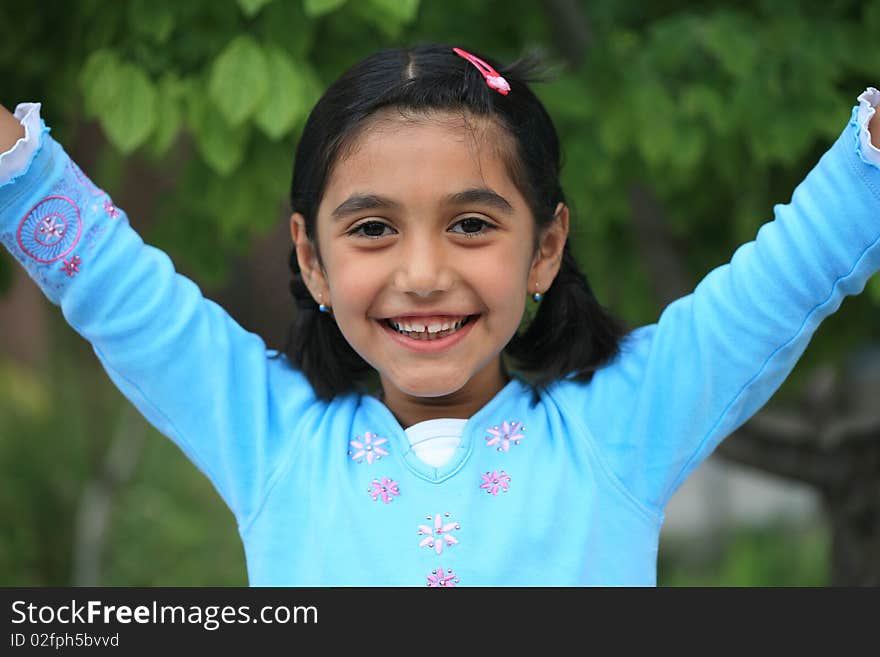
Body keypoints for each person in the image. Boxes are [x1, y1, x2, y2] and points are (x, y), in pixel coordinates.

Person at [1, 43, 878, 587]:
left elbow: (792, 272)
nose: (423, 274)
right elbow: (111, 282)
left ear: (544, 248)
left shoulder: (619, 425)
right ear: (311, 258)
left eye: (470, 225)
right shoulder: (271, 438)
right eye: (374, 228)